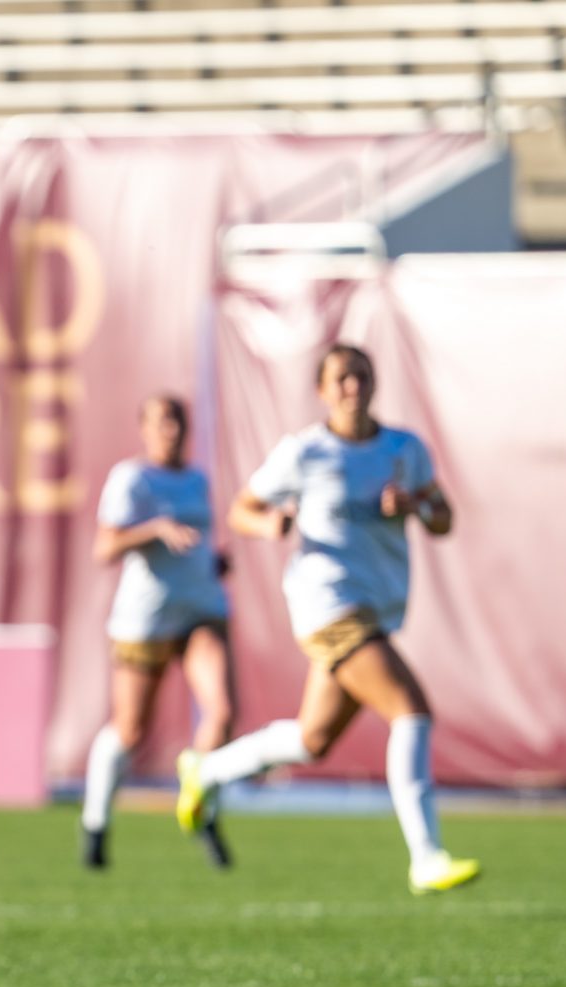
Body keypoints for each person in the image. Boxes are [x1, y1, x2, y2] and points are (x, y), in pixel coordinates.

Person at [177, 343, 479, 894]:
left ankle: (207, 769)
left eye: (361, 375)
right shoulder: (305, 453)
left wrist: (415, 506)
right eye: (341, 378)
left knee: (311, 740)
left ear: (375, 382)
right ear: (321, 390)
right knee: (410, 710)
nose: (352, 386)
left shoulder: (404, 449)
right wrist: (270, 525)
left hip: (376, 608)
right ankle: (426, 856)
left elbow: (445, 519)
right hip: (326, 605)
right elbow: (242, 509)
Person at [80, 395, 234, 871]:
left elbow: (197, 546)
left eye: (178, 421)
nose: (172, 430)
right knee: (130, 729)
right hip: (145, 618)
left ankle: (200, 808)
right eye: (163, 422)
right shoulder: (133, 479)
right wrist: (156, 530)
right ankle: (96, 824)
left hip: (200, 610)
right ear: (144, 429)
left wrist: (212, 563)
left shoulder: (197, 480)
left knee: (221, 713)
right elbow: (104, 548)